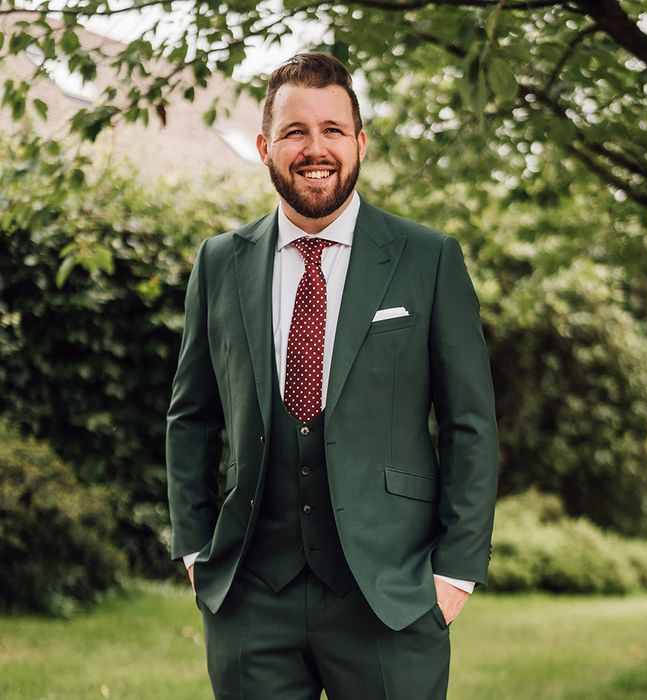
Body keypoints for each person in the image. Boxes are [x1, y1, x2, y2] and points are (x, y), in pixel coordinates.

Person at [166, 52, 498, 700]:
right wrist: (193, 549)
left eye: (332, 130)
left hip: (391, 599)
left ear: (360, 143)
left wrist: (455, 573)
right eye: (295, 131)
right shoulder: (218, 264)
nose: (314, 148)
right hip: (250, 599)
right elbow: (191, 416)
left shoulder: (428, 259)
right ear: (265, 146)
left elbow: (470, 423)